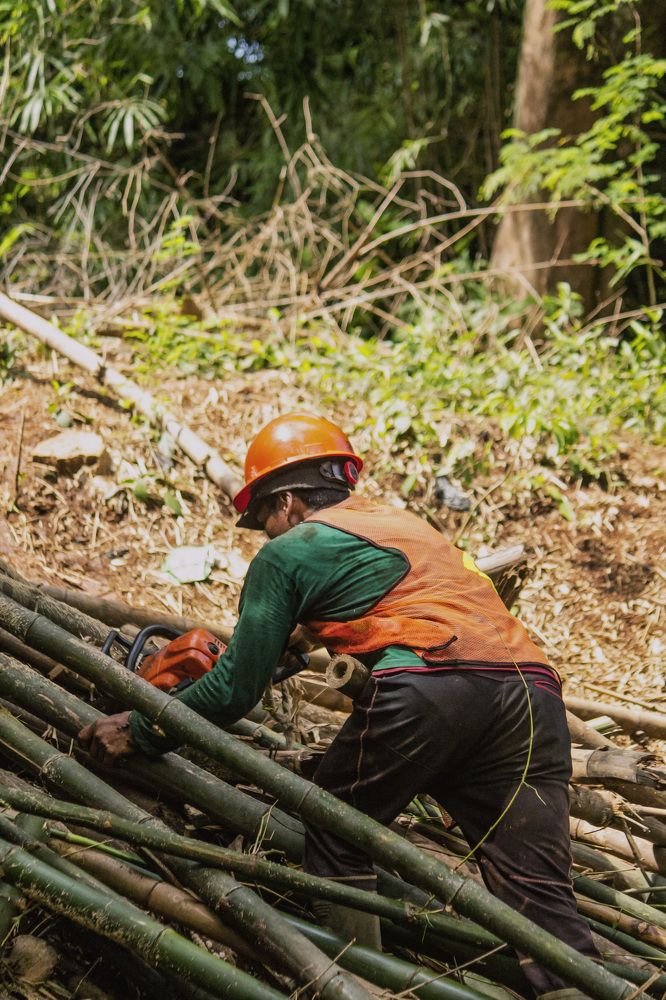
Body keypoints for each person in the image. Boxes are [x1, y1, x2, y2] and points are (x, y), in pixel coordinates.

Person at [80, 412, 598, 999]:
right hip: (533, 695)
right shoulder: (402, 526)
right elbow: (405, 601)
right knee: (539, 900)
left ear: (289, 502)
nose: (268, 537)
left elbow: (232, 690)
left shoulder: (288, 552)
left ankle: (360, 988)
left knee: (334, 829)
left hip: (434, 685)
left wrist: (144, 730)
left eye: (264, 522)